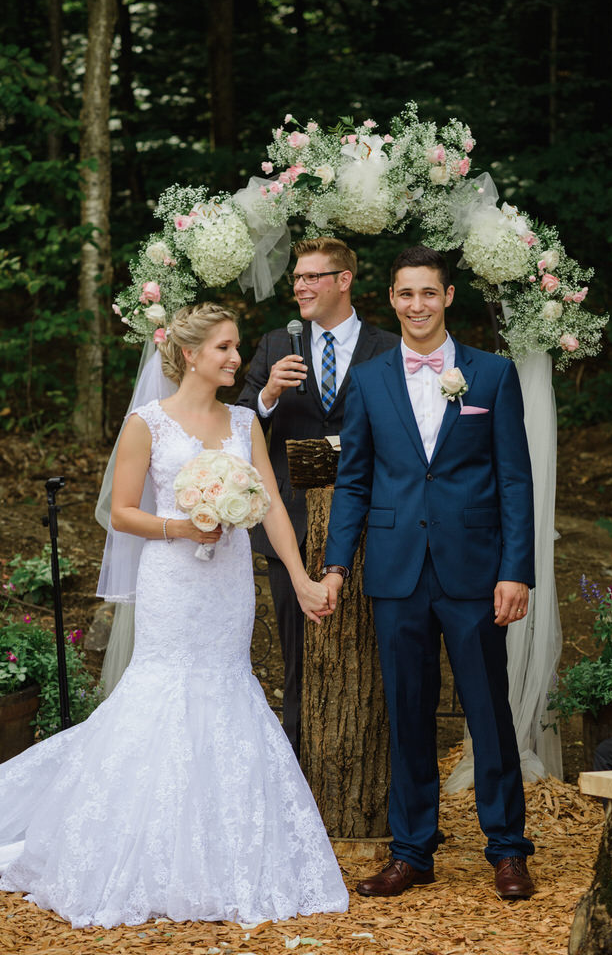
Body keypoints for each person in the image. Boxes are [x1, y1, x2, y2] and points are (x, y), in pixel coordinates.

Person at [0, 303, 348, 928]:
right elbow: (122, 511)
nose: (237, 359)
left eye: (237, 347)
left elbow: (268, 506)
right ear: (190, 355)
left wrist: (299, 579)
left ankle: (222, 852)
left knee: (227, 686)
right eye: (224, 349)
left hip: (228, 587)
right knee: (162, 690)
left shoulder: (246, 422)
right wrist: (182, 525)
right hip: (174, 579)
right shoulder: (147, 424)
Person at [320, 246, 537, 900]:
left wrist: (515, 570)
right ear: (390, 298)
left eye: (428, 293)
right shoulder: (369, 380)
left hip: (473, 572)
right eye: (405, 294)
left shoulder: (491, 376)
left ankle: (506, 849)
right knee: (406, 714)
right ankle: (412, 850)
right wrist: (335, 564)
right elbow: (353, 481)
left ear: (447, 298)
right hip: (395, 573)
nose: (416, 305)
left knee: (487, 713)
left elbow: (513, 481)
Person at [237, 236, 397, 756]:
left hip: (374, 522)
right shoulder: (273, 345)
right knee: (297, 655)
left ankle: (372, 760)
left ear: (343, 280)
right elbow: (238, 423)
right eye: (297, 278)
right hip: (291, 523)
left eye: (311, 277)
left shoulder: (389, 347)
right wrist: (267, 395)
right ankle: (297, 767)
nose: (300, 287)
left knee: (373, 650)